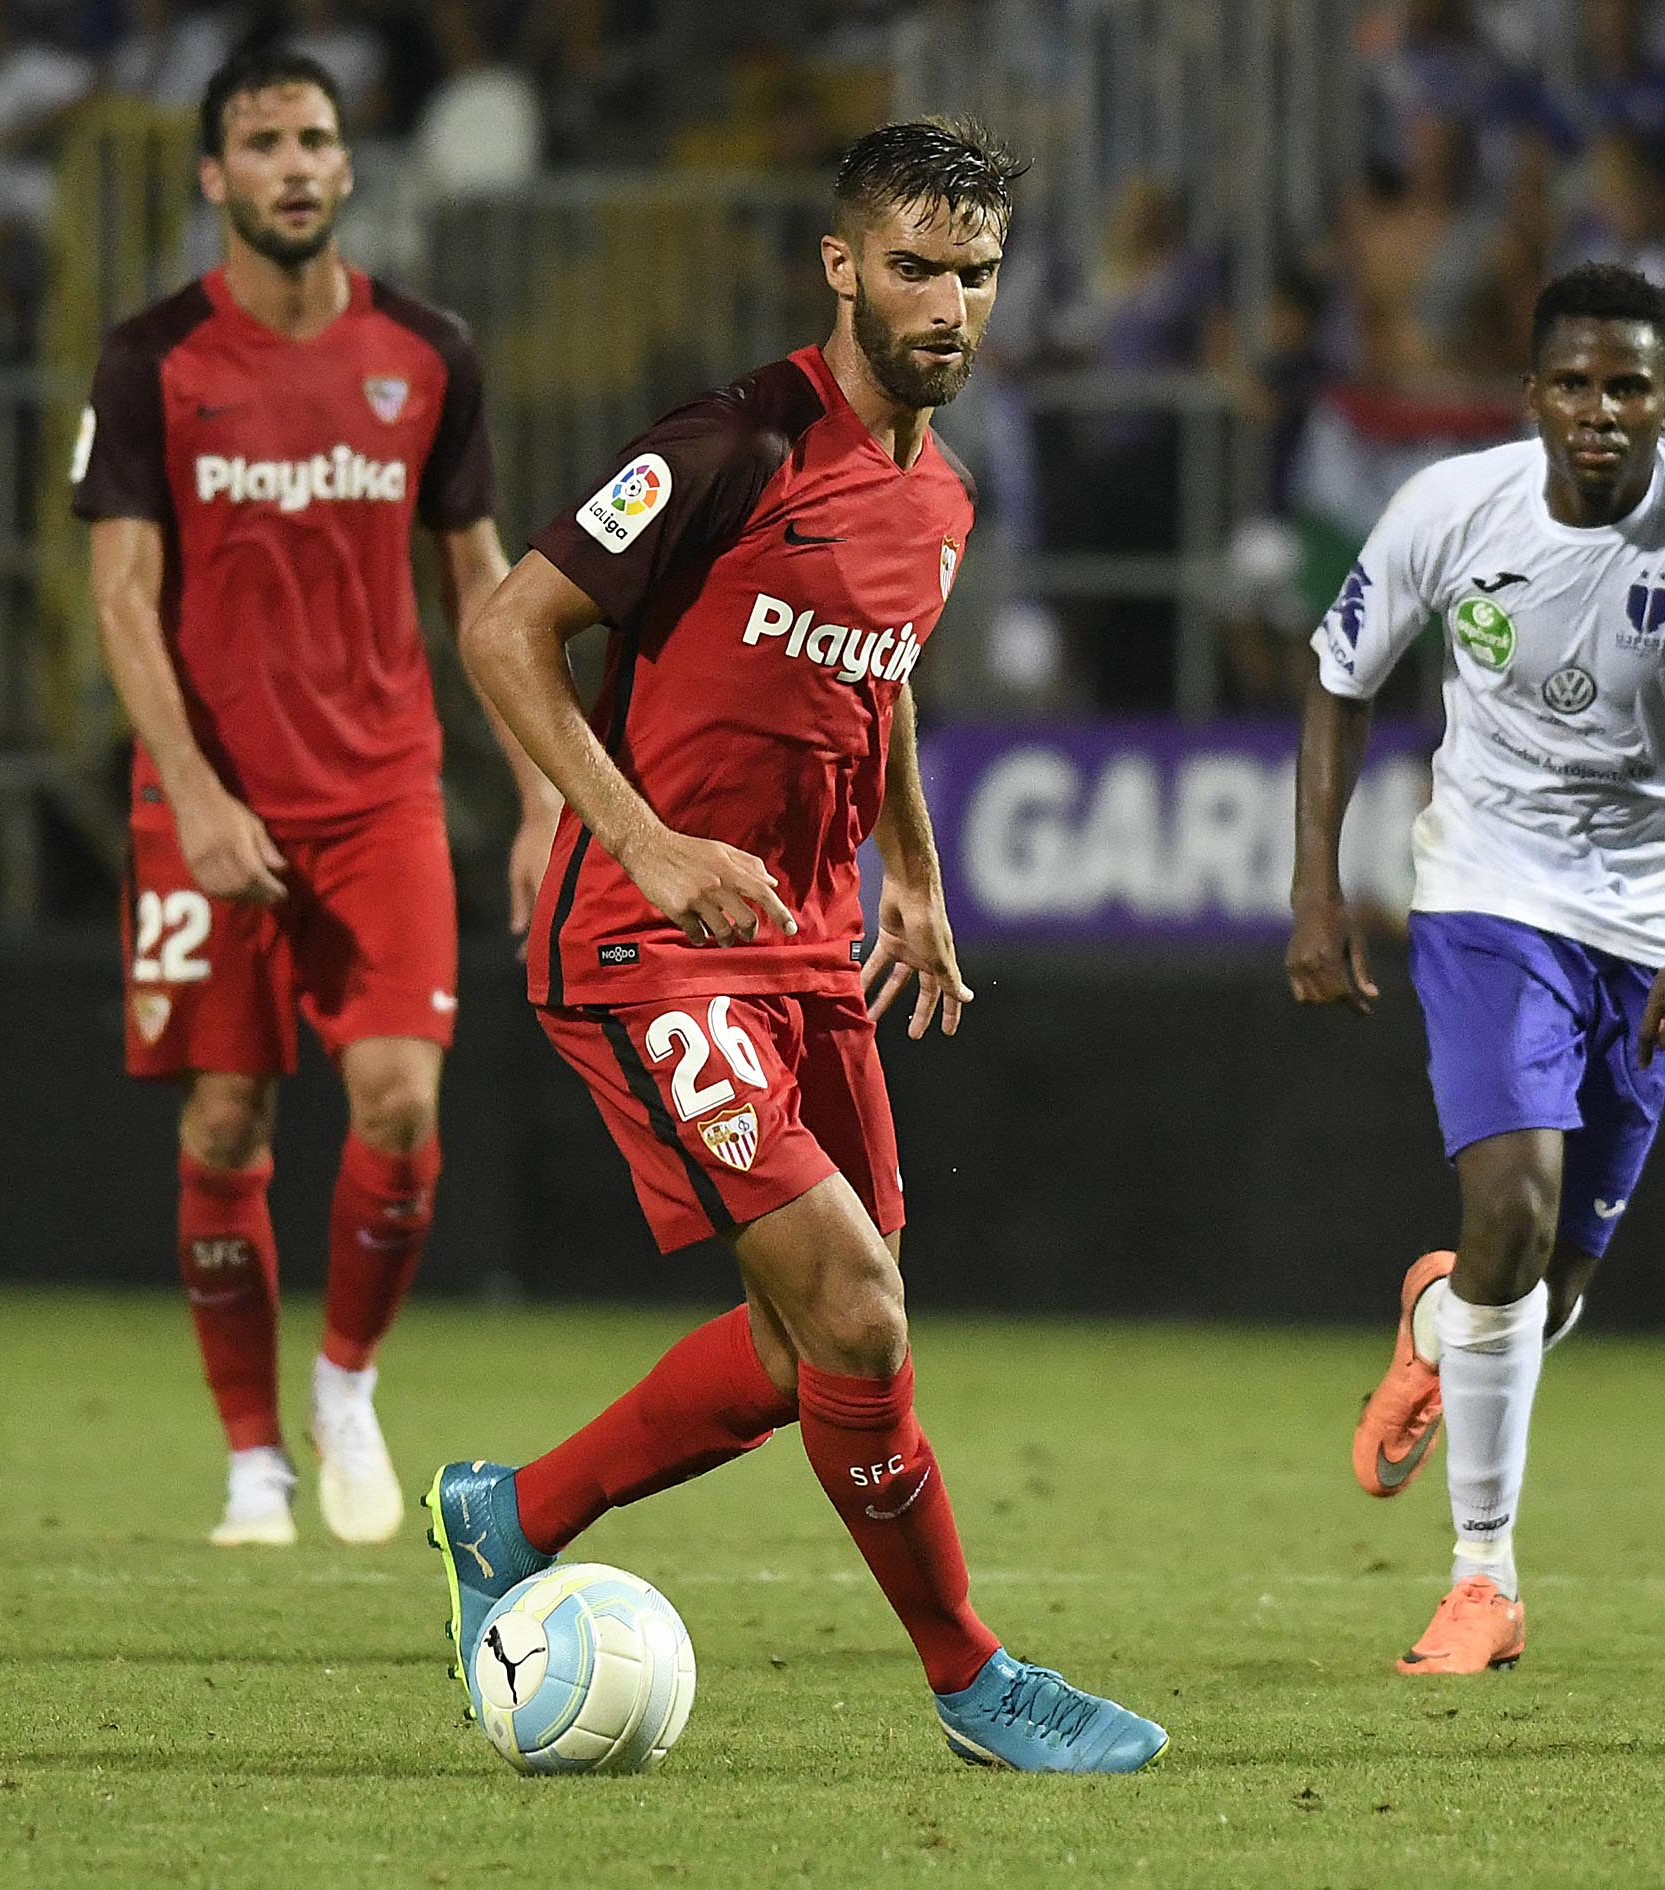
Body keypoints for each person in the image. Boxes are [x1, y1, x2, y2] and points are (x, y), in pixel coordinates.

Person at [427, 119, 1167, 1775]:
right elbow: (501, 626)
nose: (948, 306)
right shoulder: (729, 444)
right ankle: (975, 1677)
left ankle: (514, 1511)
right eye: (913, 268)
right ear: (840, 266)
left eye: (975, 275)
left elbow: (873, 670)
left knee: (805, 1341)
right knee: (858, 1310)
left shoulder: (945, 495)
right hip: (644, 936)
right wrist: (642, 841)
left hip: (808, 942)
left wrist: (912, 869)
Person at [1287, 262, 1665, 1674]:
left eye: (1625, 388)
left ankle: (1438, 1316)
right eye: (1570, 384)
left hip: (1659, 924)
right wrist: (1313, 884)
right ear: (1528, 394)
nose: (1595, 411)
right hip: (1488, 890)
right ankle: (1482, 1579)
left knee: (1548, 1290)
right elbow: (1338, 681)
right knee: (1514, 1199)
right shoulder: (1449, 510)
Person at [73, 49, 560, 1549]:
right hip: (204, 808)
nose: (294, 163)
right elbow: (121, 597)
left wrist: (545, 793)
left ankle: (345, 1381)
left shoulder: (425, 352)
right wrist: (197, 796)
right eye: (262, 141)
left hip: (378, 796)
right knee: (224, 1124)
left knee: (401, 1104)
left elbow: (485, 588)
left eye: (316, 139)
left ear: (348, 170)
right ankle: (251, 1466)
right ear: (214, 177)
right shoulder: (150, 357)